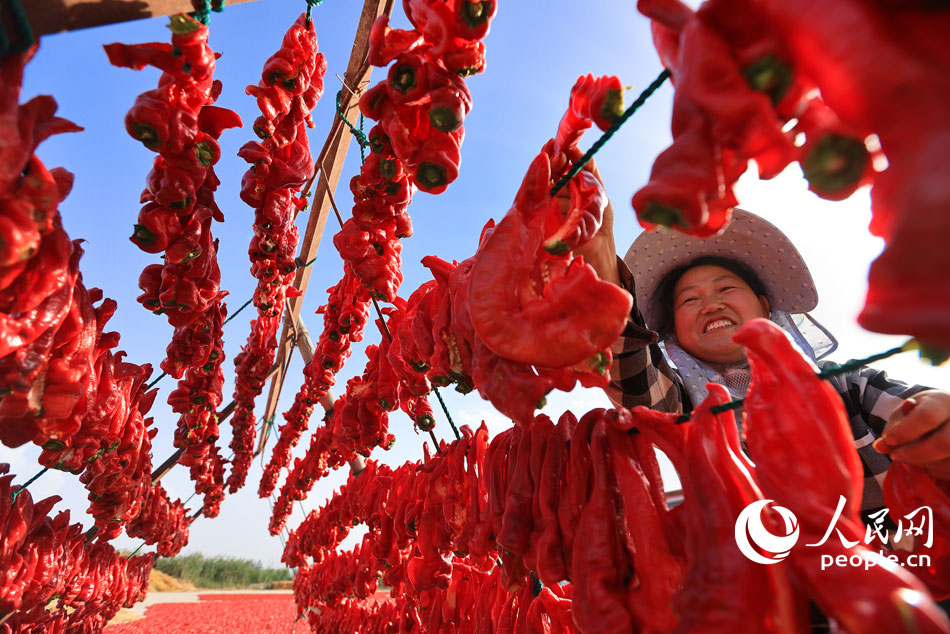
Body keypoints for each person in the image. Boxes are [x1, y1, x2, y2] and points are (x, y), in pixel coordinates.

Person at [565, 161, 950, 521]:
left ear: (764, 306)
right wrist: (600, 260)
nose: (710, 304)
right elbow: (633, 375)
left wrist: (934, 420)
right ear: (673, 333)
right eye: (689, 300)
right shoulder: (685, 407)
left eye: (726, 287)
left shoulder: (846, 385)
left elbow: (912, 409)